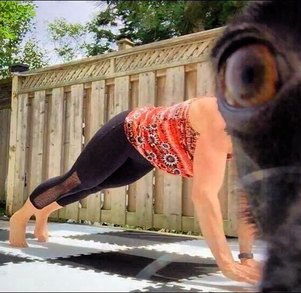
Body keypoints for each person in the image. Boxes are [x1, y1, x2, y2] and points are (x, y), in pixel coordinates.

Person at [8, 96, 260, 283]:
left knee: (96, 185)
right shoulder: (224, 120)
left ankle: (44, 213)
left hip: (148, 154)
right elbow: (204, 195)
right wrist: (226, 264)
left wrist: (246, 256)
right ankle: (20, 217)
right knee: (78, 180)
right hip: (126, 131)